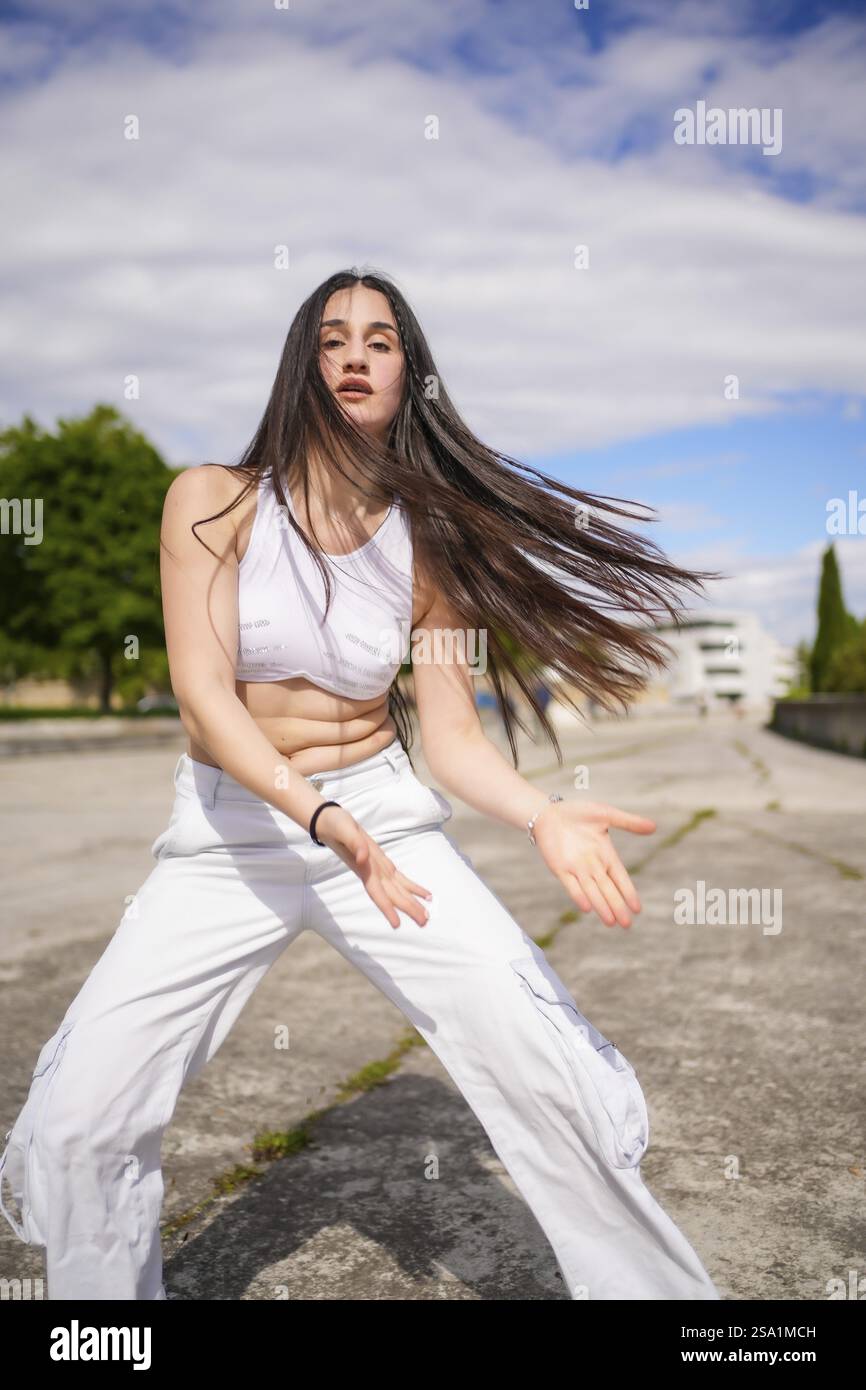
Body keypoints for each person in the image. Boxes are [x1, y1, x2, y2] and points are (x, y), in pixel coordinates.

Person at [0, 268, 724, 1301]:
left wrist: (541, 815)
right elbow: (205, 701)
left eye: (380, 340)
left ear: (407, 375)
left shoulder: (429, 544)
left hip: (382, 820)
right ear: (304, 363)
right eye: (333, 335)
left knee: (541, 1065)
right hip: (233, 837)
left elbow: (453, 741)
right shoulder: (211, 501)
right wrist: (315, 814)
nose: (354, 352)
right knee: (82, 1118)